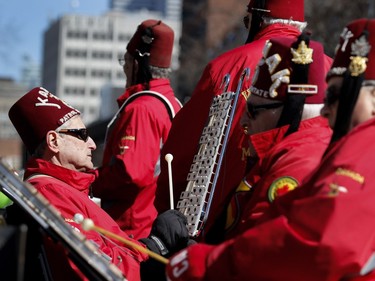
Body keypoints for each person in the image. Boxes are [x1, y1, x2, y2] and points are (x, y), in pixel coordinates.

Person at [165, 18, 375, 281]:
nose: (326, 108)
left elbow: (317, 244)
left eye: (334, 96)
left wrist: (200, 263)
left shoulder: (350, 149)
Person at [154, 0, 332, 242]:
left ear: (256, 19)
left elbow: (181, 154)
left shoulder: (225, 67)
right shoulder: (329, 70)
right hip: (313, 221)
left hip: (223, 229)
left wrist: (168, 211)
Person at [7, 87, 188, 281]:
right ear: (54, 141)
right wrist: (156, 247)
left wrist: (151, 248)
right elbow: (98, 269)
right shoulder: (49, 192)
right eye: (82, 134)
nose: (92, 144)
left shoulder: (57, 189)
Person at [92, 19, 182, 240]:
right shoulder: (173, 104)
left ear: (137, 64)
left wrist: (89, 181)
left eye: (126, 60)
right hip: (156, 230)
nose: (124, 67)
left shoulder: (141, 109)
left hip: (131, 233)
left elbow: (130, 174)